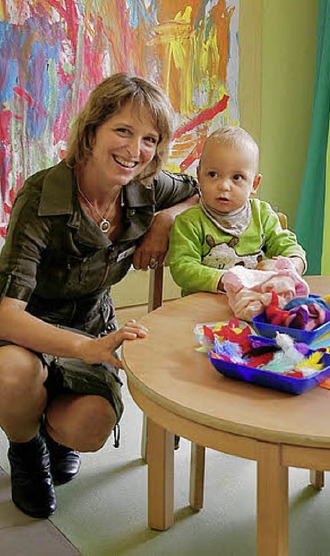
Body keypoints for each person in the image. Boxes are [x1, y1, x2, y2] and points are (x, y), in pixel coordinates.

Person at [0, 73, 199, 519]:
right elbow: (6, 316)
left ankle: (51, 429)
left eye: (149, 139)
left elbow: (206, 189)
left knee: (89, 430)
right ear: (91, 132)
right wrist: (84, 348)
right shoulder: (41, 194)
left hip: (92, 325)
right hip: (26, 332)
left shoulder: (147, 188)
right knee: (11, 371)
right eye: (123, 131)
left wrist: (166, 220)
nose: (135, 150)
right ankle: (26, 449)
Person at [169, 125, 307, 295]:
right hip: (204, 307)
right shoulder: (188, 222)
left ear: (254, 184)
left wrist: (291, 264)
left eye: (237, 178)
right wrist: (225, 280)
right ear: (199, 176)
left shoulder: (262, 214)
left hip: (255, 302)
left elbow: (288, 246)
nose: (224, 186)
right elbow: (183, 269)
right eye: (213, 174)